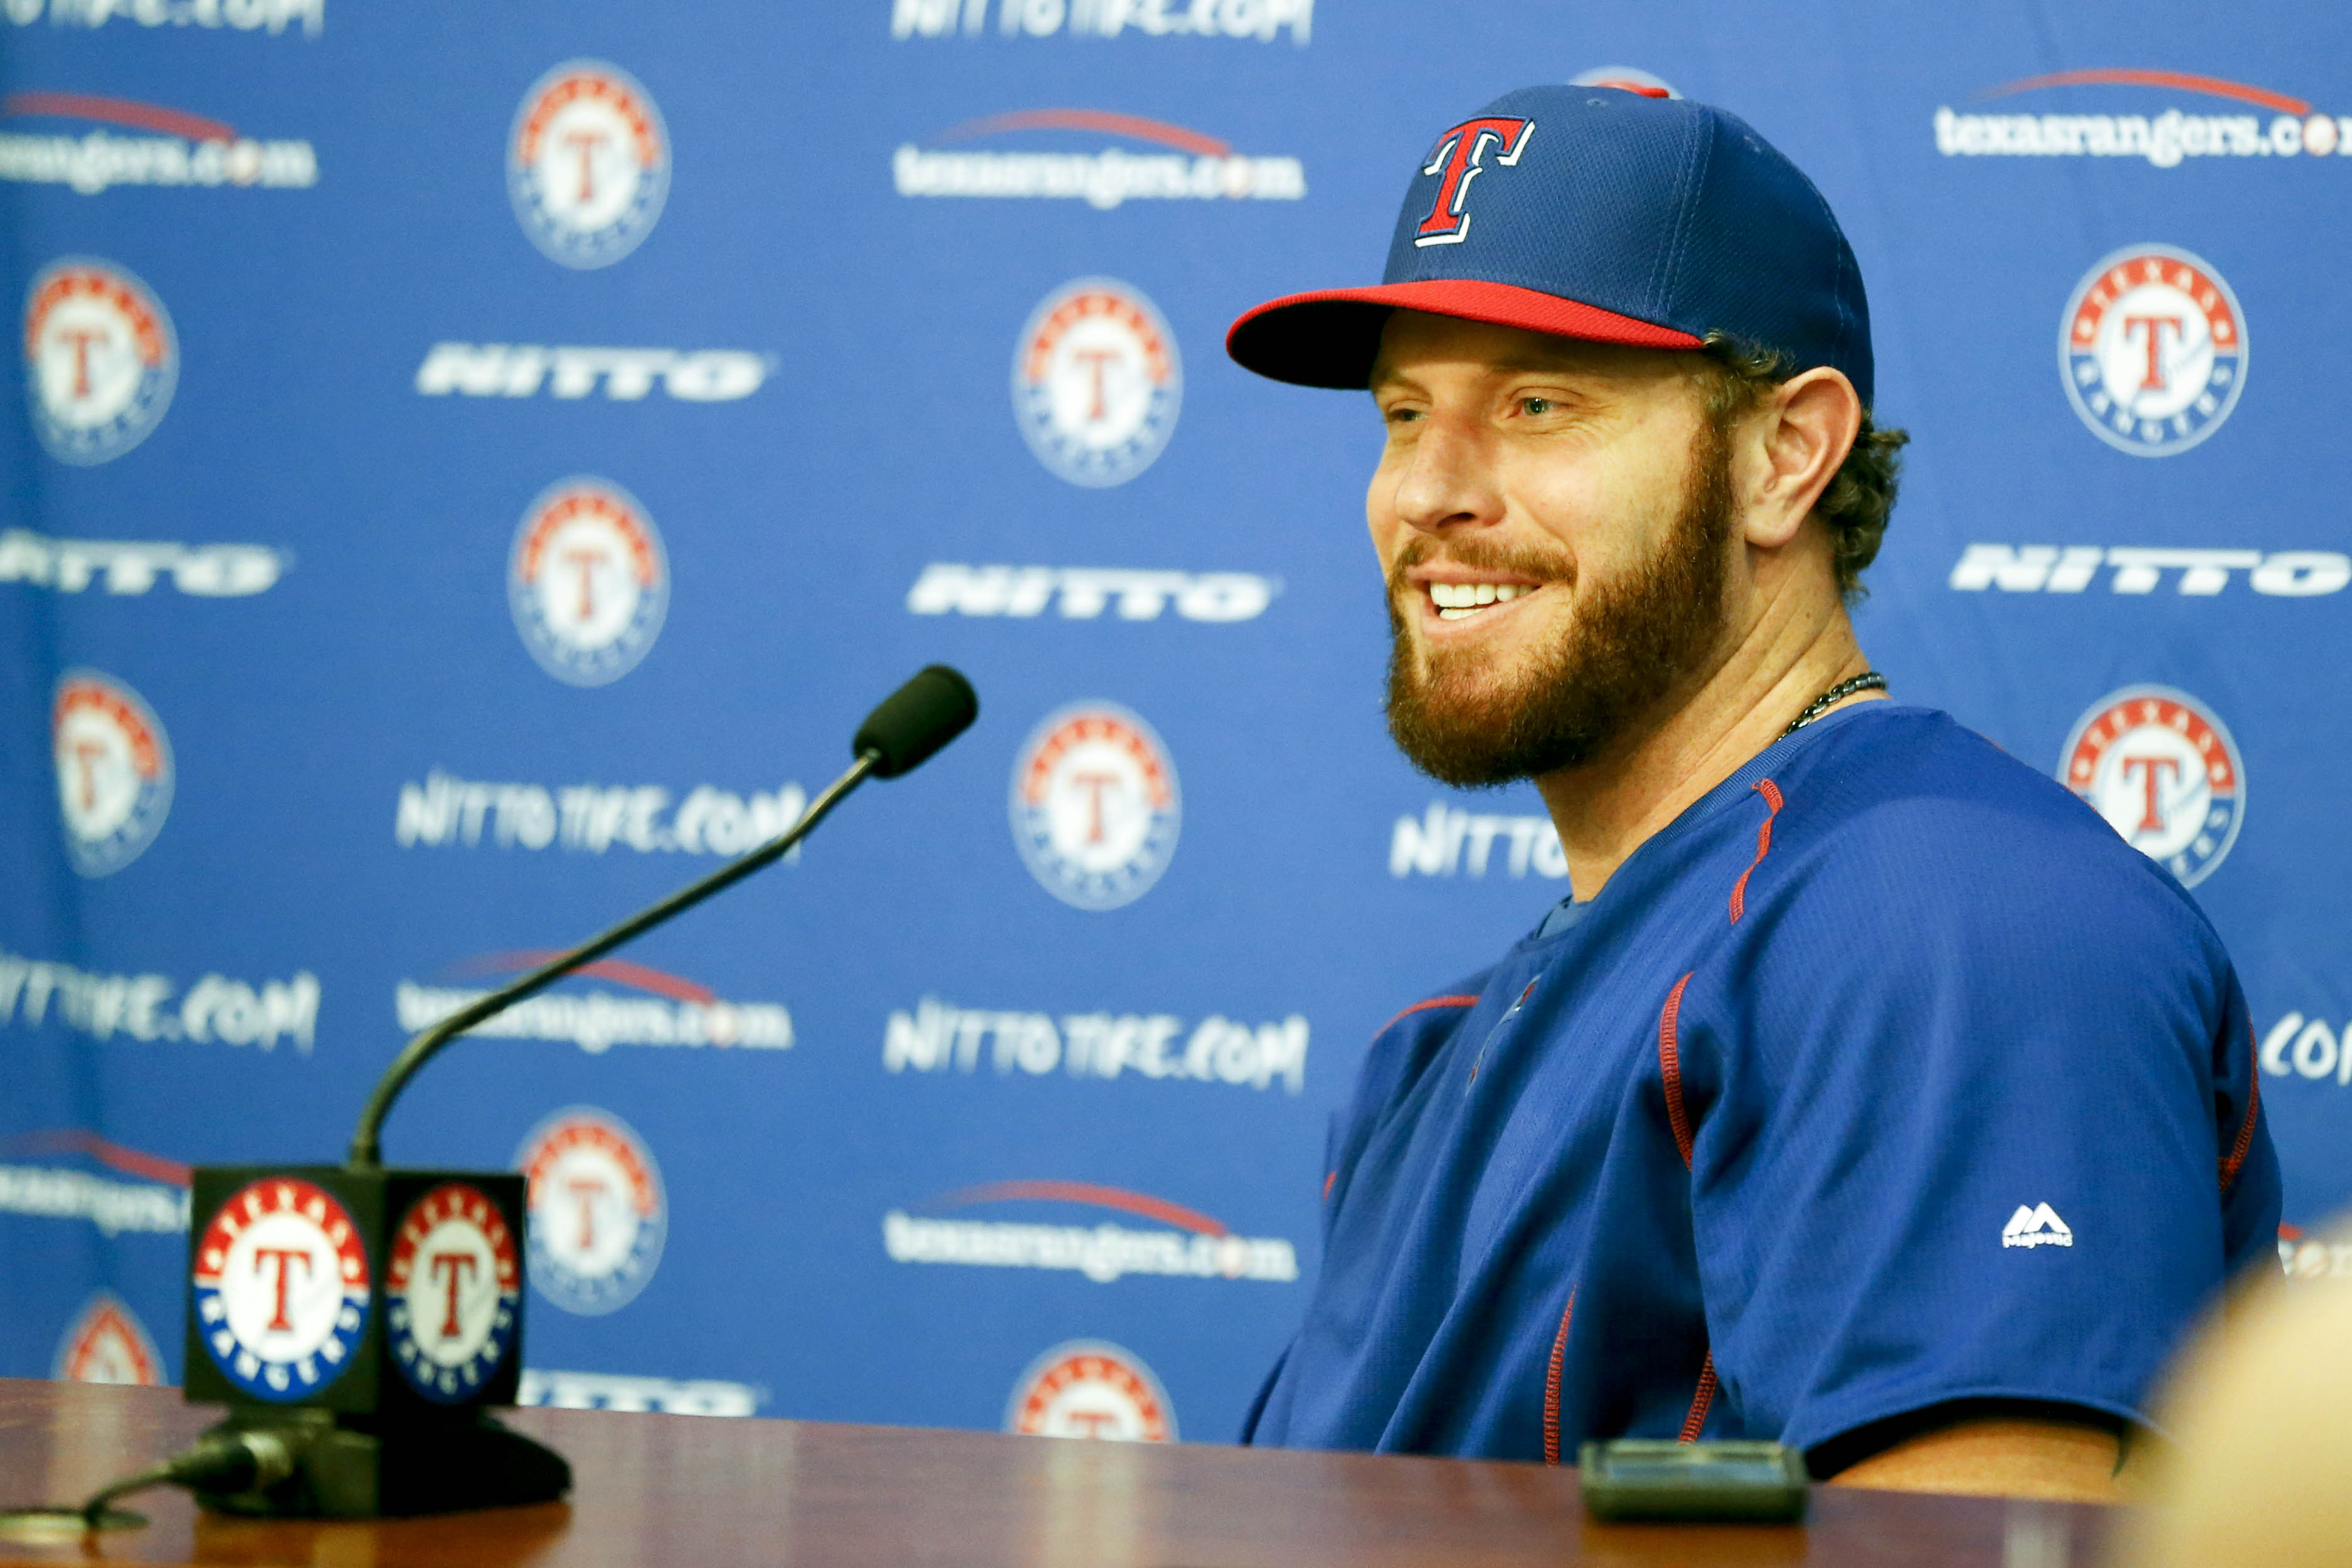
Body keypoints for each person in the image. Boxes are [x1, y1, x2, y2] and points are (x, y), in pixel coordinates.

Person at [1222, 84, 2277, 1500]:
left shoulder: (1939, 923)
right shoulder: (1435, 1045)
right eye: (1405, 413)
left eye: (1539, 404)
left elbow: (1979, 1545)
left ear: (1786, 454)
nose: (1428, 490)